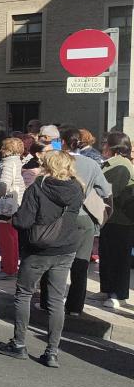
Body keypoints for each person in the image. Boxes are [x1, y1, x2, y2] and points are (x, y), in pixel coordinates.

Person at [0, 151, 84, 368]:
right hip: (66, 248)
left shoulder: (39, 187)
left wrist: (12, 219)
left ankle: (19, 344)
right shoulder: (77, 188)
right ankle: (52, 352)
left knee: (24, 294)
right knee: (55, 300)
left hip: (38, 249)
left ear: (48, 165)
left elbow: (23, 221)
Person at [60, 127, 111, 317]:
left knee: (56, 263)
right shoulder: (91, 164)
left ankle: (49, 302)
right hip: (85, 219)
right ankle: (74, 308)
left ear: (64, 142)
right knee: (80, 265)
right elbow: (106, 192)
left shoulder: (57, 161)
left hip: (60, 217)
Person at [0, 138, 27, 281]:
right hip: (16, 204)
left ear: (10, 150)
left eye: (4, 147)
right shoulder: (17, 162)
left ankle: (8, 269)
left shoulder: (8, 165)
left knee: (6, 239)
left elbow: (3, 187)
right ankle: (11, 267)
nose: (1, 150)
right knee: (12, 237)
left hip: (7, 206)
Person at [100, 132, 134, 310]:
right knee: (107, 254)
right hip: (111, 217)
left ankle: (119, 294)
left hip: (122, 219)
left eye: (105, 143)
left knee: (119, 258)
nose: (102, 146)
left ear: (113, 147)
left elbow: (111, 191)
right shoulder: (112, 163)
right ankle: (107, 289)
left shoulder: (121, 166)